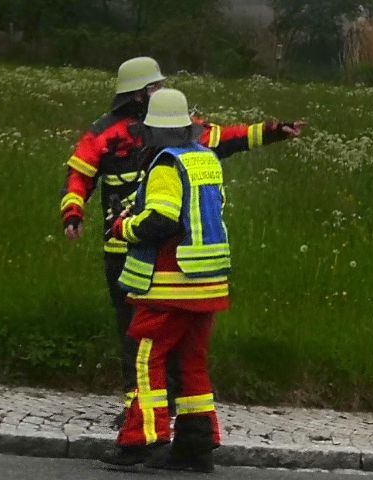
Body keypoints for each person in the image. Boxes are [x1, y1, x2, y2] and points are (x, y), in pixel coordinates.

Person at [59, 56, 303, 418]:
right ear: (137, 94)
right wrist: (73, 213)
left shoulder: (176, 125)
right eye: (155, 86)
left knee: (166, 332)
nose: (161, 90)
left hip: (164, 252)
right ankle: (137, 407)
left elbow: (225, 138)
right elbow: (79, 175)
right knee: (134, 332)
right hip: (122, 250)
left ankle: (163, 404)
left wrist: (271, 132)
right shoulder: (104, 133)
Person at [105, 87, 233, 470]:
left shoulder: (165, 164)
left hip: (170, 284)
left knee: (147, 357)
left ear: (153, 130)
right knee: (192, 363)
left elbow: (161, 220)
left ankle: (142, 440)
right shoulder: (205, 159)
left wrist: (123, 227)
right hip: (207, 283)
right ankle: (195, 447)